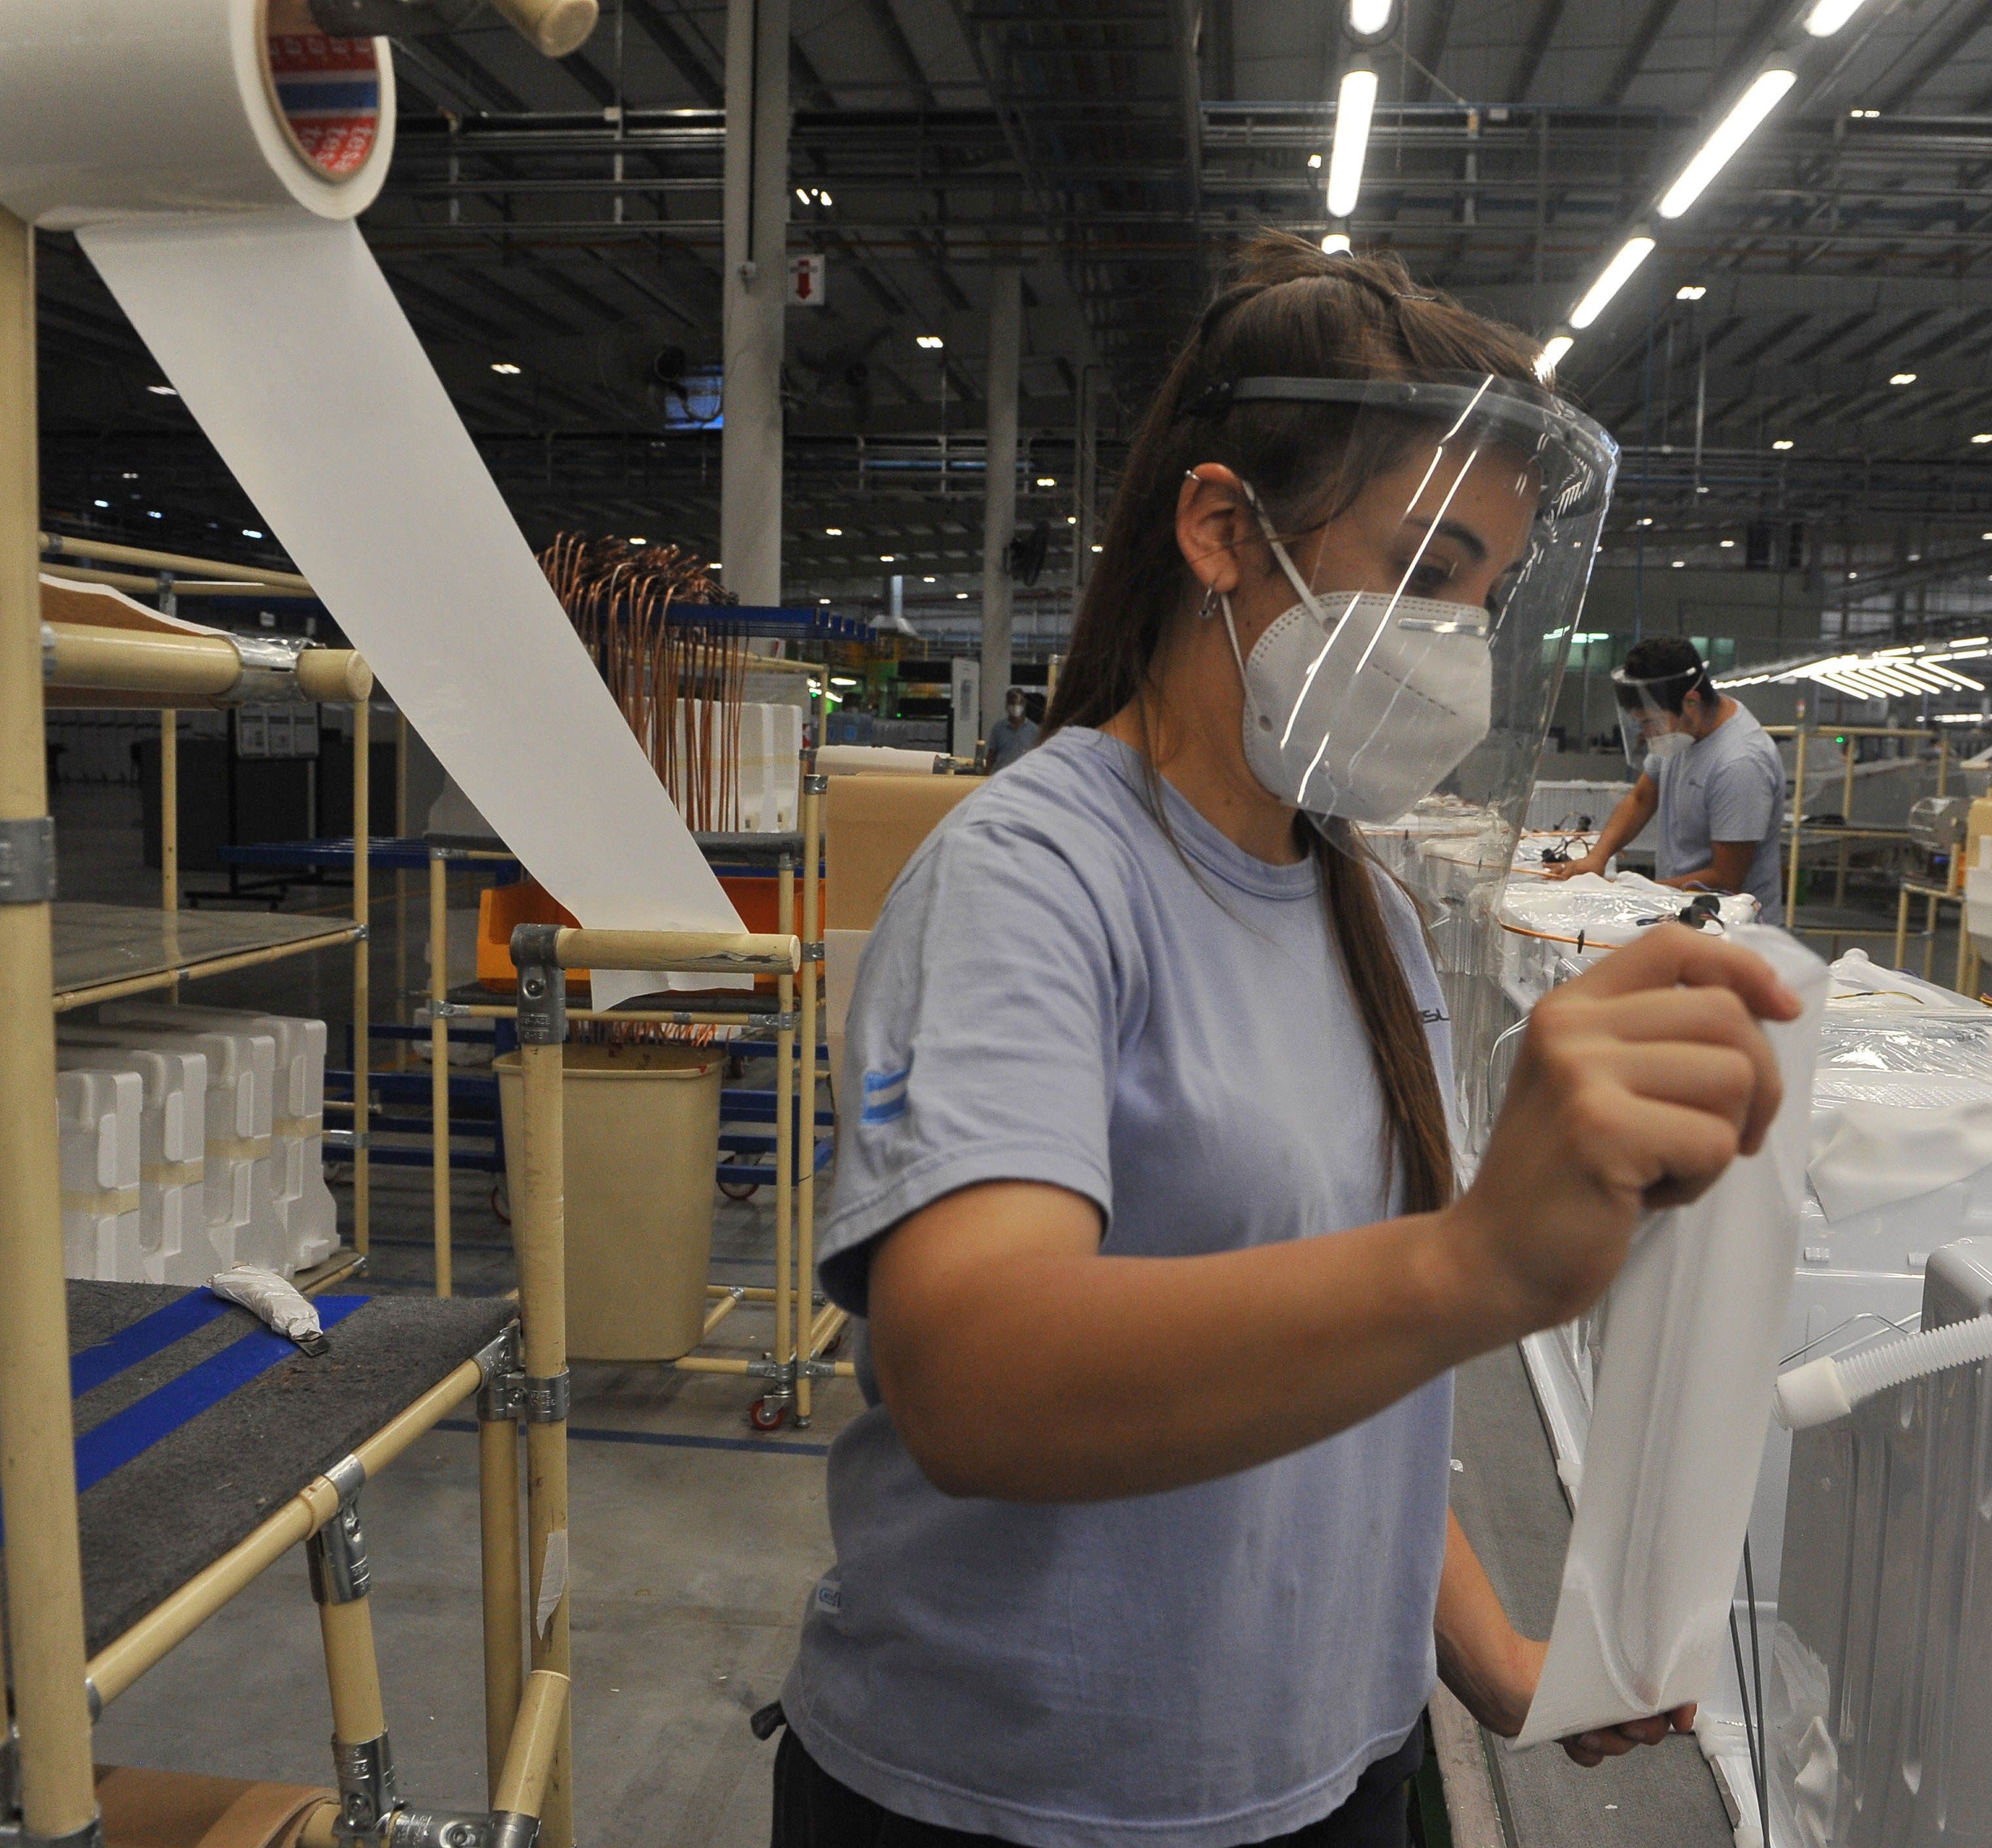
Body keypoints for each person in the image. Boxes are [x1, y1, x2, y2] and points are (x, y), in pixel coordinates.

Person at [769, 234, 1798, 1848]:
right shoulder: (1033, 875)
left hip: (1330, 1779)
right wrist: (1476, 1265)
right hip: (1019, 1804)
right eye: (1430, 570)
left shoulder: (1362, 909)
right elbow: (971, 1377)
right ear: (1224, 528)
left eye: (1490, 597)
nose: (1458, 640)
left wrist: (1500, 1661)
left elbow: (1353, 1383)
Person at [1544, 637, 1788, 918]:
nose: (1648, 734)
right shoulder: (1682, 732)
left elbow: (1726, 877)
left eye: (1650, 722)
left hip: (1731, 929)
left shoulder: (1740, 764)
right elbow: (1641, 799)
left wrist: (1637, 894)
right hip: (1683, 909)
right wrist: (1597, 858)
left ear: (1692, 702)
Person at [984, 685, 1042, 773]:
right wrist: (985, 776)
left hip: (1023, 777)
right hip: (1001, 776)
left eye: (1019, 703)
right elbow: (991, 756)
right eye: (1012, 703)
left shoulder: (1034, 730)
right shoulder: (999, 728)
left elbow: (1038, 758)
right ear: (1007, 705)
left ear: (1024, 704)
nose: (1016, 707)